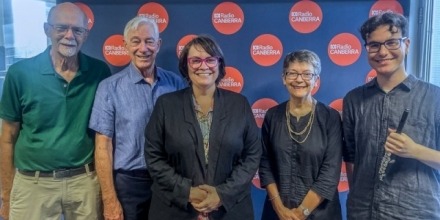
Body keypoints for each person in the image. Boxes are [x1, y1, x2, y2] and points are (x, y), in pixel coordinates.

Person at [0, 2, 111, 220]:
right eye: (61, 28)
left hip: (84, 183)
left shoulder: (99, 72)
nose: (69, 35)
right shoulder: (19, 74)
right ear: (47, 29)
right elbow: (7, 138)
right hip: (33, 184)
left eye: (77, 30)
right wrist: (5, 195)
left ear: (85, 35)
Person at [145, 35, 261, 220]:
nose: (203, 66)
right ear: (186, 65)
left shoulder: (239, 105)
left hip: (229, 210)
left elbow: (252, 155)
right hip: (176, 209)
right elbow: (154, 157)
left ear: (219, 64)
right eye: (196, 60)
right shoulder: (166, 105)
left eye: (210, 59)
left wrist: (221, 195)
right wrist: (188, 192)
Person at [343, 12, 440, 220]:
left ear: (407, 44)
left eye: (392, 43)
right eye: (374, 45)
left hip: (415, 213)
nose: (383, 52)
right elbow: (351, 159)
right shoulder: (353, 99)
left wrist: (415, 150)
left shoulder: (435, 97)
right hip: (363, 212)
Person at [89, 16, 186, 220]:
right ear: (126, 45)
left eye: (149, 41)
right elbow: (103, 147)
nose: (143, 48)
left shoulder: (176, 84)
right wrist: (109, 200)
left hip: (170, 181)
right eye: (136, 41)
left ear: (158, 45)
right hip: (129, 186)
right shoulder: (109, 88)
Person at [259, 50, 343, 220]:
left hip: (320, 214)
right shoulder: (272, 116)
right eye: (292, 73)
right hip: (277, 213)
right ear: (284, 78)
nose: (299, 79)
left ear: (316, 80)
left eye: (307, 74)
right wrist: (280, 209)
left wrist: (300, 213)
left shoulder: (330, 118)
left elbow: (330, 171)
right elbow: (265, 164)